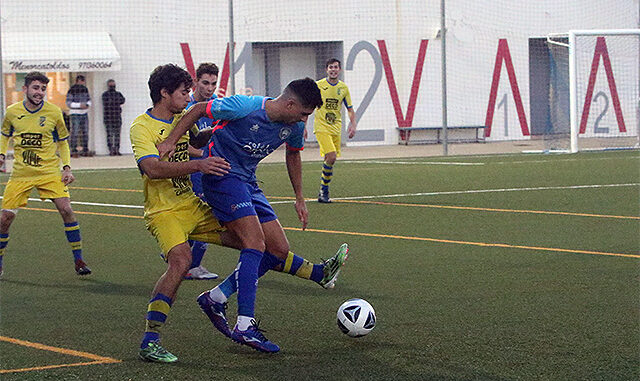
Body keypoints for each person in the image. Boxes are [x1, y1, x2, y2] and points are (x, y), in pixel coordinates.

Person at [133, 64, 347, 362]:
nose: (191, 95)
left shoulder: (185, 118)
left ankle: (218, 297)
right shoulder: (141, 126)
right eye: (185, 91)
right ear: (164, 93)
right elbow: (153, 169)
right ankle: (152, 340)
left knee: (273, 249)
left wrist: (213, 138)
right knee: (183, 261)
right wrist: (199, 161)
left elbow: (197, 139)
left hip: (199, 204)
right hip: (167, 209)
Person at [0, 71, 91, 279]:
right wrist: (1, 154)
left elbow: (63, 142)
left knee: (67, 210)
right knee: (5, 219)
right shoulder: (12, 112)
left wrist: (67, 167)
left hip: (49, 172)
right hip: (21, 174)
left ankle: (79, 260)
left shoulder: (54, 112)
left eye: (43, 89)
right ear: (25, 89)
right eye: (35, 88)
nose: (39, 92)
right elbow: (5, 135)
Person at [182, 63, 222, 280]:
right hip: (190, 169)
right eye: (205, 83)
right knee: (206, 214)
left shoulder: (216, 105)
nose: (209, 88)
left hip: (208, 167)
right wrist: (198, 153)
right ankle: (191, 265)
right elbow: (176, 139)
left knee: (199, 215)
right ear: (195, 81)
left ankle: (178, 253)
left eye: (214, 84)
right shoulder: (186, 105)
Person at [313, 58, 357, 203]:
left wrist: (353, 124)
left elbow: (349, 108)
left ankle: (322, 189)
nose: (333, 69)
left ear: (340, 70)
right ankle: (324, 191)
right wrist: (302, 125)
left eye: (336, 67)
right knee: (331, 156)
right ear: (326, 69)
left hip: (336, 127)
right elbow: (309, 104)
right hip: (321, 126)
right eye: (331, 67)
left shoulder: (343, 88)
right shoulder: (319, 85)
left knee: (330, 160)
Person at [66, 75, 92, 157]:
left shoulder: (85, 89)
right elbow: (68, 103)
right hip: (75, 113)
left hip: (84, 113)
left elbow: (89, 100)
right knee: (75, 132)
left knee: (85, 132)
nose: (83, 83)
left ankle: (85, 149)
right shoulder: (72, 90)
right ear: (78, 81)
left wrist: (87, 104)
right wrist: (80, 105)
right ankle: (73, 149)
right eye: (82, 81)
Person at [101, 79, 126, 156]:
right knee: (110, 134)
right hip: (108, 117)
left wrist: (113, 101)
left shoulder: (118, 94)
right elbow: (107, 102)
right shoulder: (105, 95)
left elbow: (122, 100)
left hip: (117, 116)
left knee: (117, 134)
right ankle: (111, 150)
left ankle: (117, 149)